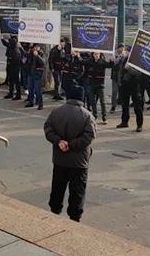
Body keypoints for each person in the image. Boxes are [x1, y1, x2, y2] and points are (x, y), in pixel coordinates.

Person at [43, 85, 96, 223]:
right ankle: (74, 218)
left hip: (60, 159)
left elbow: (48, 128)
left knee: (57, 188)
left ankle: (54, 212)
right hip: (79, 162)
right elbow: (89, 136)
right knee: (77, 192)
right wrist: (71, 145)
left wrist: (59, 141)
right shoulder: (87, 116)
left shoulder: (56, 112)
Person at [117, 52, 150, 132]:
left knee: (137, 106)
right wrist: (120, 82)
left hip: (135, 86)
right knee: (125, 105)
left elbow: (139, 73)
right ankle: (124, 121)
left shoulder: (139, 60)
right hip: (125, 85)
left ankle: (139, 125)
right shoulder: (125, 59)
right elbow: (120, 70)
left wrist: (129, 69)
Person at [86, 52, 112, 124]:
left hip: (100, 85)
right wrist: (77, 56)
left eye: (98, 54)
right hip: (92, 84)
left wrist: (112, 60)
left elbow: (110, 65)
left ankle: (104, 117)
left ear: (100, 55)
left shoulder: (102, 62)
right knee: (93, 101)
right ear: (93, 55)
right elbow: (82, 62)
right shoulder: (90, 61)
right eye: (95, 54)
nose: (96, 55)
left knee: (102, 102)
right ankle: (95, 116)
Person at [2, 35, 22, 100]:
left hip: (15, 66)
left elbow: (16, 59)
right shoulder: (11, 47)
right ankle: (11, 93)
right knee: (11, 80)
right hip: (11, 65)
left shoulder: (15, 49)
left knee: (16, 80)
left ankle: (18, 94)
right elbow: (6, 44)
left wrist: (11, 61)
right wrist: (2, 39)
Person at [26, 45, 46, 110]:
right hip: (31, 73)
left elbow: (43, 62)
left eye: (37, 47)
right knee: (30, 89)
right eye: (34, 47)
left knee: (38, 90)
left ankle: (40, 104)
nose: (35, 48)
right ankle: (31, 102)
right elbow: (26, 55)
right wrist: (20, 47)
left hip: (38, 74)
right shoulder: (31, 54)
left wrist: (37, 55)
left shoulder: (41, 54)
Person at [109, 44, 125, 113]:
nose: (122, 49)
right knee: (114, 92)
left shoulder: (125, 55)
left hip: (122, 77)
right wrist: (113, 60)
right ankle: (113, 106)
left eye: (123, 48)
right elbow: (112, 65)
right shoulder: (114, 55)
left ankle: (123, 105)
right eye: (121, 48)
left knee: (123, 92)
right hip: (115, 76)